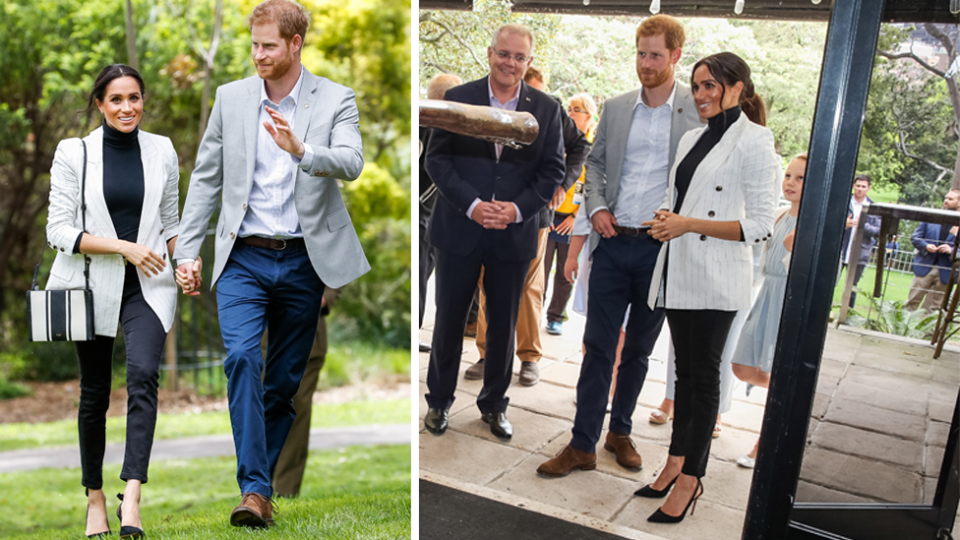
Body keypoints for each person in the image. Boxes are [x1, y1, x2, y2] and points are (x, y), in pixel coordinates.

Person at [173, 0, 368, 527]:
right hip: (242, 258)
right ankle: (255, 491)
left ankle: (258, 491)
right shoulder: (231, 99)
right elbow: (207, 178)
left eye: (268, 46)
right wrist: (187, 250)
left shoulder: (334, 98)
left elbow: (351, 161)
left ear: (295, 44)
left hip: (305, 261)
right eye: (254, 45)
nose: (257, 54)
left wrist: (302, 148)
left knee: (283, 384)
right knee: (241, 359)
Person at [536, 14, 703, 478]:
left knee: (639, 352)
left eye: (655, 55)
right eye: (641, 53)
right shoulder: (617, 105)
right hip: (612, 243)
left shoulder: (697, 110)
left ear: (675, 56)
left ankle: (620, 432)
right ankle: (581, 443)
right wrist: (599, 208)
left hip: (659, 249)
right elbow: (597, 165)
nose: (645, 63)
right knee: (597, 347)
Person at [638, 51, 780, 524]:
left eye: (710, 86)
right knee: (683, 377)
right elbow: (673, 199)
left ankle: (692, 478)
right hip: (679, 269)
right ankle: (674, 461)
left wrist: (686, 224)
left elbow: (761, 225)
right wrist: (663, 220)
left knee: (703, 380)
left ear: (738, 88)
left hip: (718, 277)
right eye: (696, 86)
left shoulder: (757, 141)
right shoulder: (692, 139)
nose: (700, 95)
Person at [45, 64, 181, 539]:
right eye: (117, 99)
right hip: (90, 285)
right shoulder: (74, 153)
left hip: (147, 285)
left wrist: (184, 259)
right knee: (94, 394)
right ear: (100, 104)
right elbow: (58, 230)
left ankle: (133, 497)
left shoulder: (162, 149)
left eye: (135, 98)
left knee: (144, 375)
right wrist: (123, 246)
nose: (128, 108)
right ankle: (95, 499)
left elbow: (171, 223)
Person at [423, 23, 565, 440]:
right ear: (489, 54)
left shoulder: (547, 108)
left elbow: (553, 169)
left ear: (529, 62)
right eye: (504, 54)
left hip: (513, 232)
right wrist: (474, 205)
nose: (511, 63)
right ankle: (438, 403)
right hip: (460, 228)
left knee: (503, 324)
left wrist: (517, 210)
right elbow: (437, 161)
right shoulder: (457, 99)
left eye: (520, 57)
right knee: (449, 320)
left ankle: (495, 405)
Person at [466, 65, 588, 386]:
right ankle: (485, 353)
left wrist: (562, 182)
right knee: (486, 284)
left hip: (533, 214)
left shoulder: (551, 111)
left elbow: (580, 147)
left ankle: (529, 357)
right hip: (490, 212)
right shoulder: (486, 108)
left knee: (530, 286)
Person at [731, 153, 806, 469]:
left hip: (787, 302)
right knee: (742, 365)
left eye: (800, 178)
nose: (790, 182)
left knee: (777, 373)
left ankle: (765, 442)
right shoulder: (778, 215)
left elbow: (810, 276)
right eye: (789, 175)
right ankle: (792, 401)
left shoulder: (810, 226)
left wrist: (793, 251)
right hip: (766, 296)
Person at [264, 286, 342, 497]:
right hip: (263, 333)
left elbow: (340, 257)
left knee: (296, 412)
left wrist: (324, 297)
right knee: (261, 410)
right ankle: (257, 491)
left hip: (308, 332)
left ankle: (285, 492)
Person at [543, 92, 598, 336]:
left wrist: (575, 217)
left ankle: (555, 316)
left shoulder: (593, 147)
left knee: (566, 272)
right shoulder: (556, 138)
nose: (571, 113)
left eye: (577, 109)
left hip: (573, 220)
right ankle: (532, 312)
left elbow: (593, 186)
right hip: (549, 215)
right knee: (539, 270)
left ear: (589, 117)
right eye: (570, 108)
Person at [420, 73, 463, 353]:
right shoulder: (427, 126)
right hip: (423, 214)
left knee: (426, 275)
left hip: (436, 216)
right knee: (421, 277)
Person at [904, 190, 960, 312]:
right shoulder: (932, 217)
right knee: (911, 303)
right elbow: (915, 237)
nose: (946, 201)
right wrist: (926, 246)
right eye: (946, 198)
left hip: (947, 271)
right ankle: (900, 330)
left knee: (938, 309)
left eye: (951, 199)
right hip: (925, 266)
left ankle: (931, 332)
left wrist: (952, 250)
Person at [839, 174, 880, 309]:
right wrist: (843, 224)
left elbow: (878, 230)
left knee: (852, 287)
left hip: (859, 253)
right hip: (840, 251)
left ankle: (847, 314)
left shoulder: (873, 208)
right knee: (829, 283)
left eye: (863, 186)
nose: (860, 189)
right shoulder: (844, 202)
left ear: (868, 188)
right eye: (858, 186)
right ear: (853, 186)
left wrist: (862, 225)